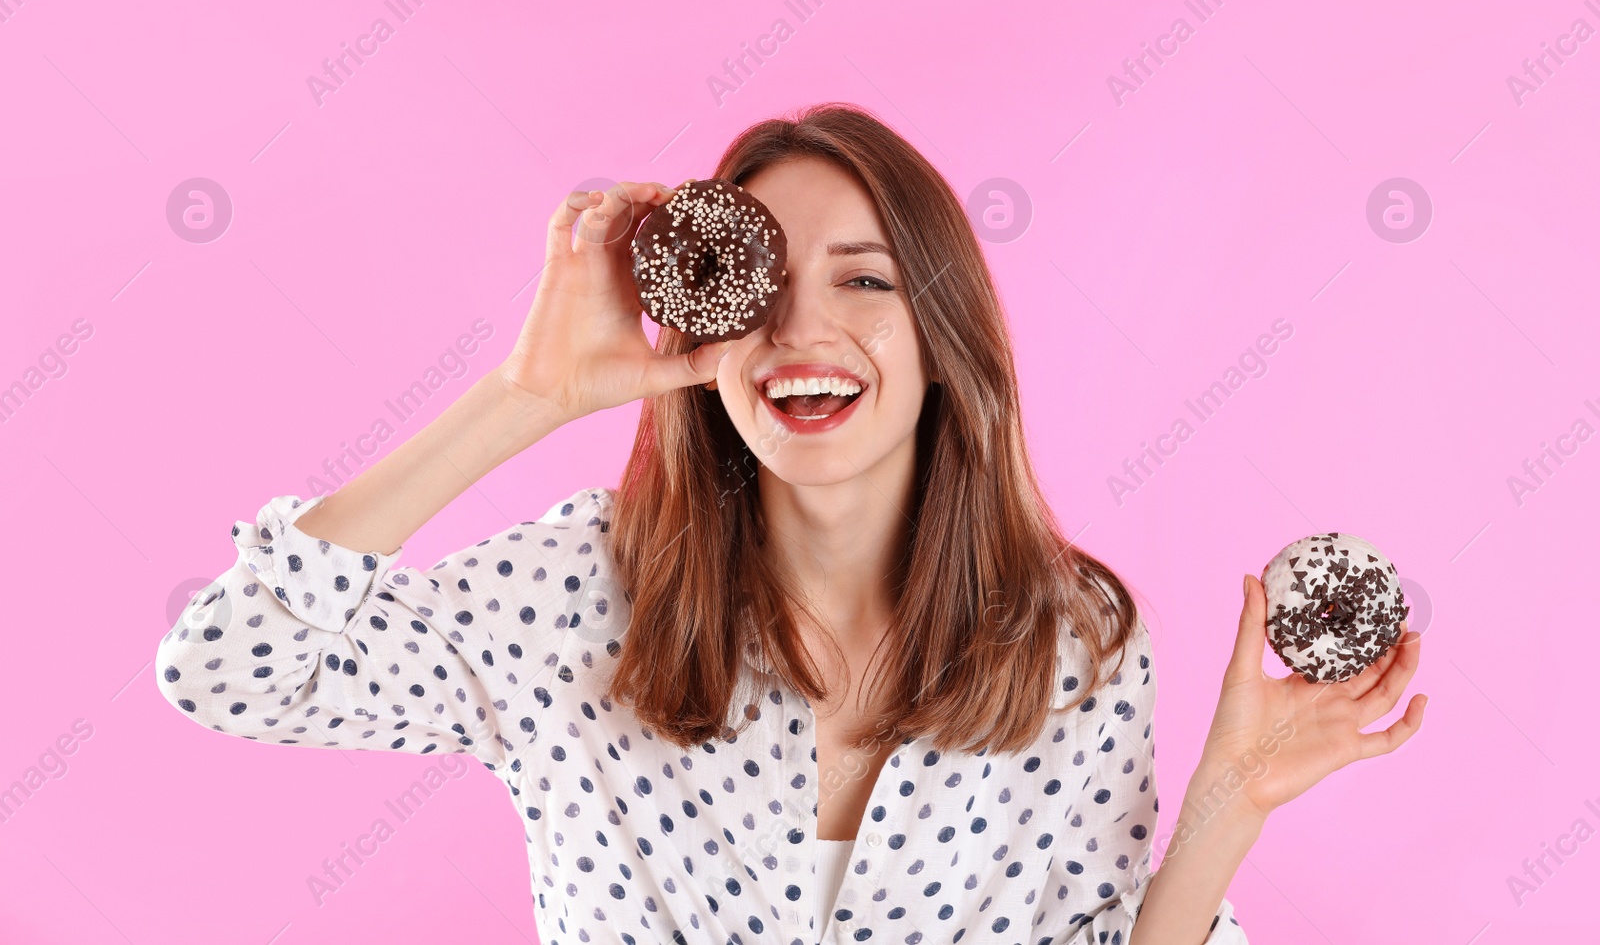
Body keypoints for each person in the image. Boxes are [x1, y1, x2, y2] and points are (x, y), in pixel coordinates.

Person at [155, 102, 1425, 945]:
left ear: (941, 336)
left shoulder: (1070, 639)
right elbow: (225, 664)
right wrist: (519, 399)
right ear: (703, 327)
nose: (803, 332)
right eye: (758, 283)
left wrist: (1229, 801)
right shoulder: (577, 590)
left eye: (865, 279)